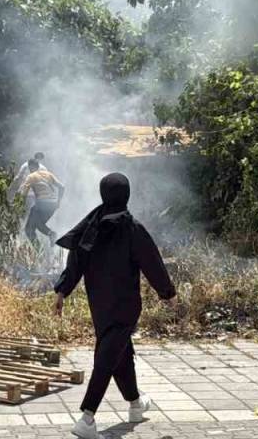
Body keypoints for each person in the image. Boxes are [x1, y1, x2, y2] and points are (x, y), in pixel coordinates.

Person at [54, 173, 176, 439]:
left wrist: (63, 290)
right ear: (127, 195)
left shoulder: (91, 225)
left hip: (99, 304)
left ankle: (134, 404)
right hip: (125, 305)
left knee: (120, 352)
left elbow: (75, 261)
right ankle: (87, 416)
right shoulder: (131, 228)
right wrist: (168, 294)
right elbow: (152, 263)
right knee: (108, 356)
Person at [17, 159, 65, 245]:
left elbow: (24, 193)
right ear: (38, 166)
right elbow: (62, 187)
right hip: (53, 205)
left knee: (29, 229)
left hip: (41, 203)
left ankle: (39, 252)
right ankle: (51, 233)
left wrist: (19, 206)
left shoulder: (31, 176)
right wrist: (58, 202)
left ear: (30, 167)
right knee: (38, 225)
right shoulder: (48, 174)